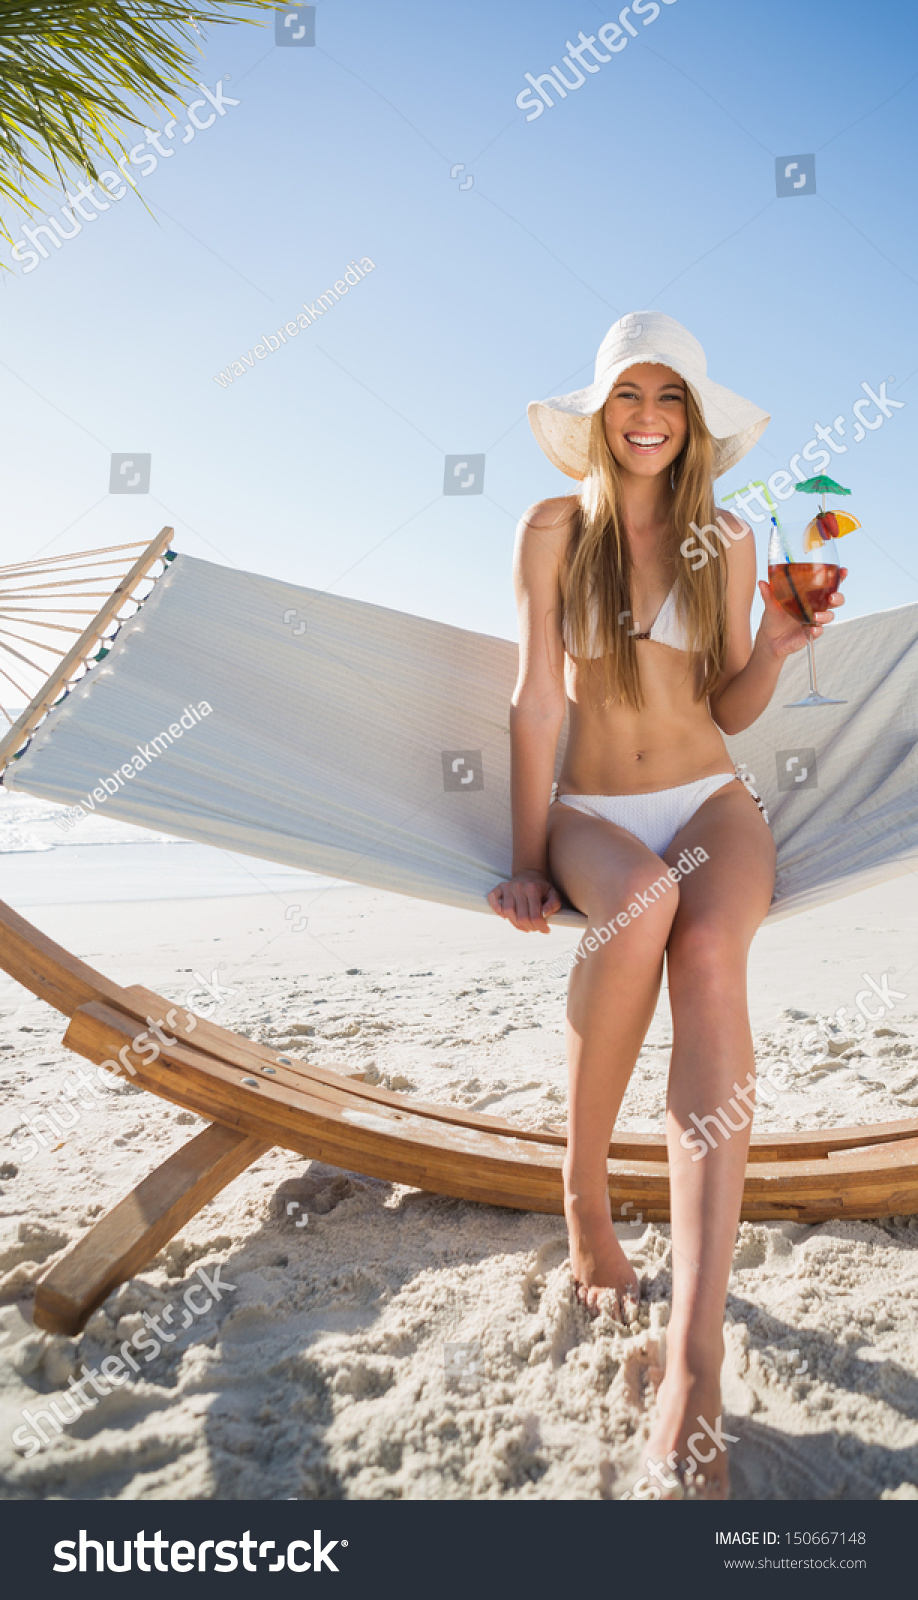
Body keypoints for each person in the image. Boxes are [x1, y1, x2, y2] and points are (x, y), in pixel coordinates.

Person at [487, 312, 846, 1497]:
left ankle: (695, 1354)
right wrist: (530, 853)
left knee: (706, 964)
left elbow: (732, 709)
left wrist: (783, 643)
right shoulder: (553, 529)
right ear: (600, 413)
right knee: (635, 909)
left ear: (694, 421)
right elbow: (539, 705)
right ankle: (584, 1187)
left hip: (710, 801)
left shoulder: (730, 538)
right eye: (630, 395)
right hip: (594, 811)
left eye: (671, 397)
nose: (648, 415)